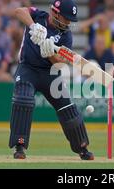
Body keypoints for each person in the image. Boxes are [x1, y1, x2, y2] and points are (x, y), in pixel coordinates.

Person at [10, 0, 94, 160]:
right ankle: (19, 146)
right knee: (23, 99)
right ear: (55, 13)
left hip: (50, 73)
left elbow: (60, 63)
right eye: (66, 18)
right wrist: (33, 26)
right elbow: (19, 11)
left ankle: (82, 148)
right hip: (28, 68)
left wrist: (47, 50)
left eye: (71, 19)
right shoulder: (38, 16)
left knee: (67, 107)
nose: (68, 22)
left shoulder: (66, 35)